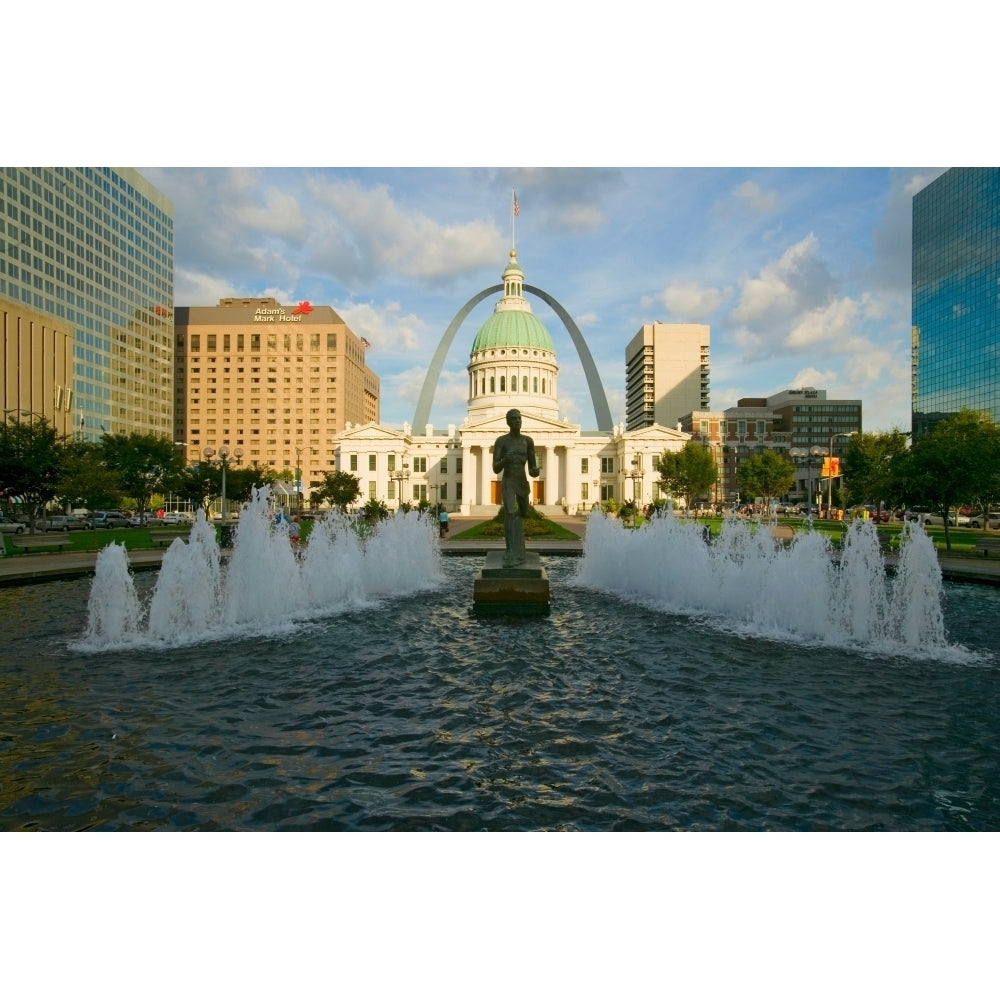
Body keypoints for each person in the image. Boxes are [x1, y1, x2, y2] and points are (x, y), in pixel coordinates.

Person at [492, 408, 539, 567]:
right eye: (513, 419)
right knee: (510, 513)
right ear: (508, 422)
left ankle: (518, 545)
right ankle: (512, 551)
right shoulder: (501, 441)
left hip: (521, 481)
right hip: (508, 481)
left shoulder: (528, 441)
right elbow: (496, 468)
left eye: (519, 418)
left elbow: (533, 468)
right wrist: (505, 459)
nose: (517, 421)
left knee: (524, 513)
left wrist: (535, 470)